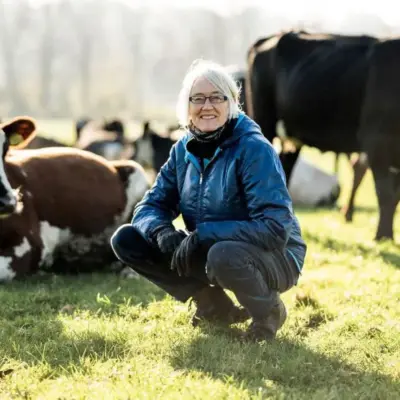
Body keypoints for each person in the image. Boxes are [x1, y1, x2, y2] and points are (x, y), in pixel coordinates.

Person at [110, 59, 307, 341]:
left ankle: (268, 313)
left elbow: (275, 228)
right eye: (198, 99)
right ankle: (212, 305)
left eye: (217, 97)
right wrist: (161, 231)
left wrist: (204, 235)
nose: (207, 106)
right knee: (127, 239)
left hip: (275, 256)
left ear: (232, 103)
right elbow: (149, 207)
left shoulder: (254, 150)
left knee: (222, 254)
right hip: (214, 247)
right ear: (186, 108)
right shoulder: (182, 150)